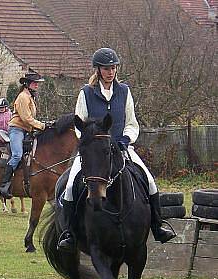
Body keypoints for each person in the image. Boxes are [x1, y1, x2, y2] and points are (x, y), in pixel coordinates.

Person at [57, 47, 176, 251]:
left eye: (113, 67)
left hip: (121, 148)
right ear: (98, 70)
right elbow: (80, 125)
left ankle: (158, 225)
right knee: (69, 186)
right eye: (106, 68)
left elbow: (131, 123)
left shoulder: (124, 91)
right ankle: (68, 233)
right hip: (93, 153)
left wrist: (126, 139)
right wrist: (90, 143)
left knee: (149, 180)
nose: (110, 72)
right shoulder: (86, 93)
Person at [0, 71, 45, 199]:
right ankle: (4, 185)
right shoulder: (23, 97)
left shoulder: (30, 97)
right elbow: (26, 118)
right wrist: (41, 125)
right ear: (27, 84)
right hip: (17, 129)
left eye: (37, 83)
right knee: (17, 154)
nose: (37, 85)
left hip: (26, 130)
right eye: (35, 83)